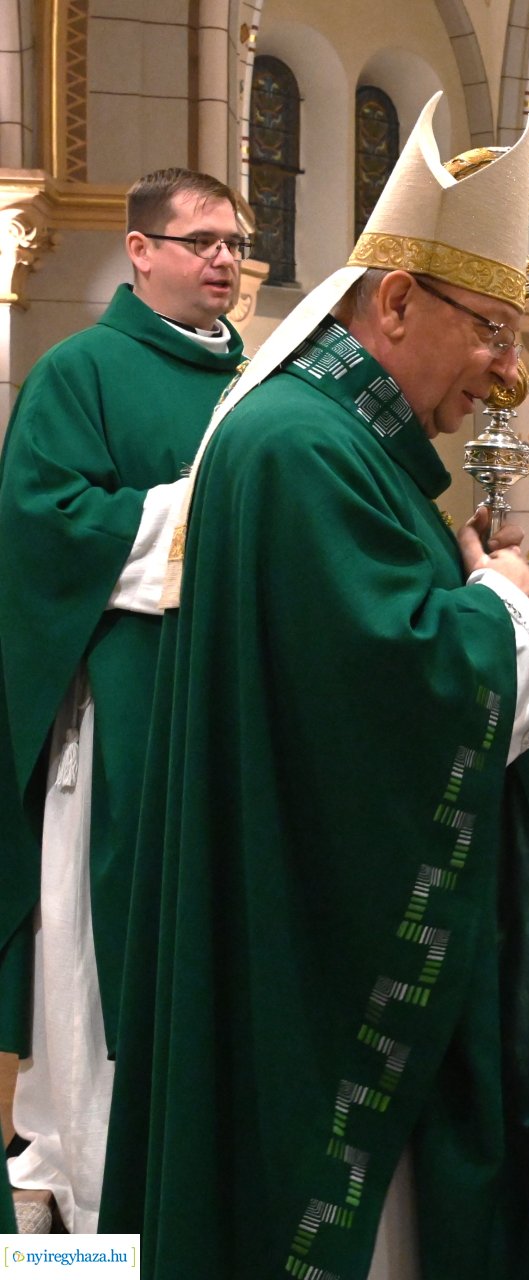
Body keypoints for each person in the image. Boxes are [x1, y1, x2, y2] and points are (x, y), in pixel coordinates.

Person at [98, 95, 529, 1279]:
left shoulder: (335, 440)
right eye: (492, 327)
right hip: (323, 987)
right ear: (394, 300)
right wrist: (510, 602)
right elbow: (402, 700)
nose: (508, 370)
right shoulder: (300, 446)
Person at [0, 168, 249, 1233]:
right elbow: (46, 521)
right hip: (121, 723)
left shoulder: (264, 382)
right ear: (140, 251)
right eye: (199, 240)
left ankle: (196, 1205)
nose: (225, 259)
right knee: (99, 977)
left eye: (236, 240)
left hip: (231, 713)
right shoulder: (81, 371)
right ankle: (101, 1232)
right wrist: (211, 509)